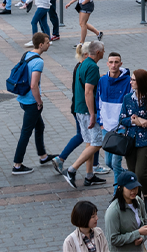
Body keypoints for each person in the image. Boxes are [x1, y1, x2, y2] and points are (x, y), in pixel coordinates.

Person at [59, 41, 107, 188]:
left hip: (79, 108)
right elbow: (88, 91)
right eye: (103, 50)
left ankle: (89, 175)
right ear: (98, 52)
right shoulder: (92, 67)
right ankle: (72, 170)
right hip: (87, 110)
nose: (104, 52)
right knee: (97, 143)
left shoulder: (82, 64)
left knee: (89, 142)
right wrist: (93, 114)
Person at [10, 32, 56, 175]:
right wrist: (39, 102)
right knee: (26, 132)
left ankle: (43, 156)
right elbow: (33, 85)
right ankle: (17, 165)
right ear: (41, 45)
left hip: (23, 99)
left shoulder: (27, 54)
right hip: (31, 102)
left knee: (40, 126)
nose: (49, 44)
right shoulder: (39, 61)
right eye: (47, 42)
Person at [119, 68, 147, 214]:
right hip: (130, 140)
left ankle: (146, 195)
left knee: (140, 173)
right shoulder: (127, 98)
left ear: (140, 82)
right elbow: (122, 119)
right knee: (132, 172)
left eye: (133, 80)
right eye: (131, 79)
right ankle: (136, 200)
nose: (130, 82)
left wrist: (145, 122)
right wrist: (134, 121)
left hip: (145, 141)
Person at [97, 52, 132, 183]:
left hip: (121, 127)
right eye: (111, 62)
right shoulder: (102, 80)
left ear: (121, 64)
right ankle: (128, 176)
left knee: (116, 164)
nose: (113, 65)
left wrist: (126, 123)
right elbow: (98, 101)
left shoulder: (128, 82)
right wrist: (100, 122)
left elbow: (130, 103)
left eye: (116, 62)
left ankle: (117, 193)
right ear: (107, 64)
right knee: (108, 162)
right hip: (106, 127)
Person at [105, 172, 147, 251]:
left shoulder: (138, 201)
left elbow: (144, 223)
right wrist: (137, 233)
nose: (134, 191)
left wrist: (142, 237)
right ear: (120, 188)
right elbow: (113, 239)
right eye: (130, 188)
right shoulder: (113, 211)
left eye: (136, 187)